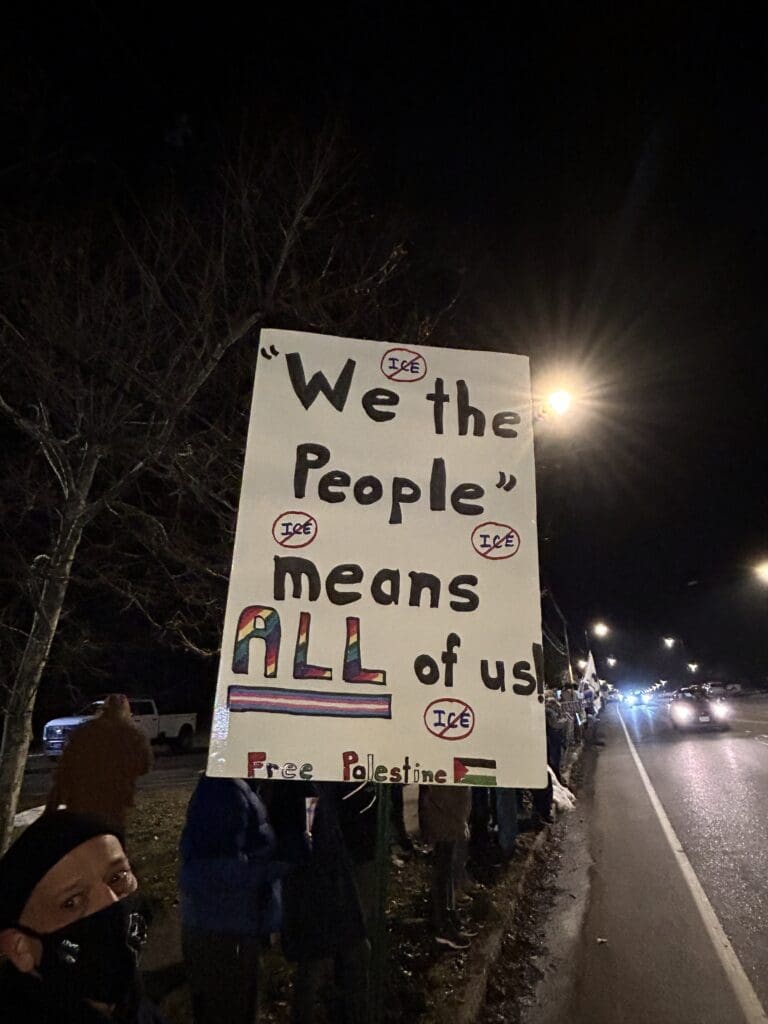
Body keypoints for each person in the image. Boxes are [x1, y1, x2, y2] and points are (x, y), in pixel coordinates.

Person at [0, 809, 163, 1022]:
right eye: (71, 902)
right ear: (19, 948)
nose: (112, 902)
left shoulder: (127, 998)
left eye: (117, 877)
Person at [178, 774, 282, 1024]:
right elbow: (217, 871)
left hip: (228, 925)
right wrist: (277, 866)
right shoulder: (224, 792)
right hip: (224, 930)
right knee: (228, 1010)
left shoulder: (232, 788)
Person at [269, 781, 370, 1024]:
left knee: (329, 960)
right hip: (316, 889)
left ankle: (343, 1011)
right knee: (316, 965)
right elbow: (304, 837)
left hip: (327, 883)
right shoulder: (299, 788)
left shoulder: (314, 784)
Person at [46, 694, 152, 832]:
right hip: (114, 803)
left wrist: (52, 805)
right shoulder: (133, 735)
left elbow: (64, 770)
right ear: (126, 712)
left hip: (81, 802)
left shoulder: (83, 732)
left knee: (83, 842)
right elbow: (145, 766)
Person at [418, 785, 474, 950]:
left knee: (447, 863)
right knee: (442, 865)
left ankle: (448, 915)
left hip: (450, 804)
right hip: (444, 807)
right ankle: (441, 924)